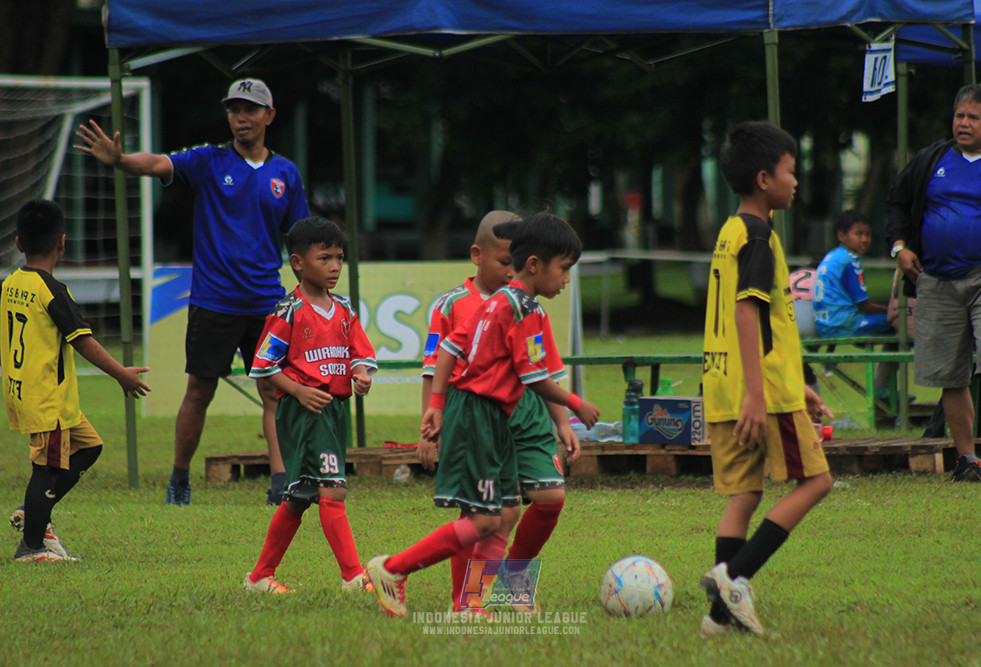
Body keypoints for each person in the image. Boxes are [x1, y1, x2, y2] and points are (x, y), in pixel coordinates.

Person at [75, 78, 310, 504]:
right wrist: (121, 160)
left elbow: (301, 239)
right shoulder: (207, 160)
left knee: (274, 392)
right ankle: (179, 479)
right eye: (234, 109)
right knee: (200, 392)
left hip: (267, 303)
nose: (241, 117)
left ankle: (281, 484)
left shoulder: (286, 174)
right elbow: (155, 164)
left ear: (269, 115)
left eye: (250, 109)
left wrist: (308, 289)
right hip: (214, 302)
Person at [367, 212, 600, 617]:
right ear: (534, 265)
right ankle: (394, 569)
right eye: (564, 269)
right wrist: (576, 404)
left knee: (505, 513)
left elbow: (452, 349)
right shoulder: (517, 309)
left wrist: (437, 405)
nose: (567, 279)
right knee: (481, 520)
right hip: (479, 415)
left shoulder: (501, 303)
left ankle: (471, 603)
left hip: (493, 418)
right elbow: (533, 377)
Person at [700, 122, 833, 638]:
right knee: (817, 481)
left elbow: (762, 323)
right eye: (790, 171)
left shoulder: (730, 231)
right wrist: (760, 395)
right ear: (763, 179)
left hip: (725, 387)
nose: (795, 181)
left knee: (744, 494)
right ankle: (733, 579)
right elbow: (746, 313)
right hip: (762, 393)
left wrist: (799, 386)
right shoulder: (759, 235)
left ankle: (720, 619)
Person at [417, 210, 581, 613]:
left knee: (551, 498)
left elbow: (546, 369)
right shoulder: (452, 306)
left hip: (528, 419)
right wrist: (430, 428)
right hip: (480, 419)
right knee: (479, 514)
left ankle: (514, 575)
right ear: (478, 255)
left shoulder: (531, 307)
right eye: (505, 262)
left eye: (516, 263)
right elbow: (434, 368)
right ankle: (466, 601)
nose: (512, 271)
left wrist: (563, 423)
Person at [3, 200, 150, 562]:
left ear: (19, 243)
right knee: (47, 467)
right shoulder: (52, 290)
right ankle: (31, 546)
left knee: (89, 447)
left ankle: (34, 514)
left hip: (26, 390)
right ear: (63, 242)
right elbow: (82, 341)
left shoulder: (11, 283)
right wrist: (121, 374)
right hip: (46, 396)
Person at [243, 216, 377, 593]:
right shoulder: (287, 311)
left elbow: (360, 353)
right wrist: (299, 390)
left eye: (339, 258)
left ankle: (259, 577)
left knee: (300, 496)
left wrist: (361, 374)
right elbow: (263, 365)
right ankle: (353, 576)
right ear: (298, 263)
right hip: (305, 413)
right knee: (333, 489)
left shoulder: (345, 309)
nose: (335, 266)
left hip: (333, 411)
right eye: (325, 258)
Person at [886, 83, 981, 482]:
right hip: (935, 278)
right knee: (949, 373)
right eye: (959, 116)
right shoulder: (930, 159)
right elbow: (897, 203)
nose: (963, 123)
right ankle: (967, 458)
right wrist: (899, 247)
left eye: (973, 117)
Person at [813, 209, 892, 338]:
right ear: (842, 236)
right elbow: (864, 305)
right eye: (859, 234)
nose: (865, 240)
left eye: (868, 234)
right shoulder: (850, 261)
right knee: (896, 321)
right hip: (844, 325)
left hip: (824, 324)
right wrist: (890, 309)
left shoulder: (833, 256)